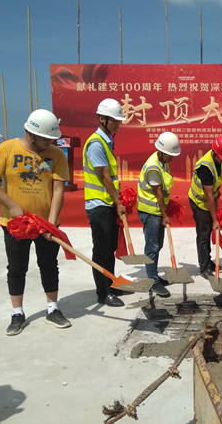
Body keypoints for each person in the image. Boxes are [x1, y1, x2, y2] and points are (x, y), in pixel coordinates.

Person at [0, 109, 72, 336]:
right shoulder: (7, 149)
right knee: (16, 267)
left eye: (52, 138)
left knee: (49, 265)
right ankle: (17, 313)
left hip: (44, 223)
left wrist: (51, 223)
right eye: (45, 138)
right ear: (31, 134)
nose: (50, 142)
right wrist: (12, 205)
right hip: (16, 223)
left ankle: (52, 309)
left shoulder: (57, 155)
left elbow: (58, 189)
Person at [83, 98, 127, 307]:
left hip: (106, 204)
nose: (117, 124)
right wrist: (118, 203)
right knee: (101, 250)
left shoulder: (106, 142)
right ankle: (103, 292)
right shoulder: (96, 144)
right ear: (102, 119)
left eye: (118, 121)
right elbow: (105, 177)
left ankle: (110, 282)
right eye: (114, 120)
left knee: (109, 248)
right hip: (99, 205)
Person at [136, 132, 180, 298]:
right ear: (162, 151)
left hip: (156, 210)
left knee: (157, 245)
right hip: (151, 211)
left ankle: (154, 275)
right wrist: (165, 215)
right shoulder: (154, 167)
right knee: (152, 247)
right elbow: (159, 193)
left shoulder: (162, 162)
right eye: (170, 155)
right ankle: (152, 281)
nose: (172, 158)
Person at [188, 135, 222, 278]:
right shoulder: (205, 167)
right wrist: (215, 220)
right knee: (204, 234)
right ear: (214, 152)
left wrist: (216, 191)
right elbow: (208, 196)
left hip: (210, 199)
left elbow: (216, 181)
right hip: (199, 202)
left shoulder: (221, 160)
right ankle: (204, 267)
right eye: (221, 158)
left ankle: (208, 261)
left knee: (207, 232)